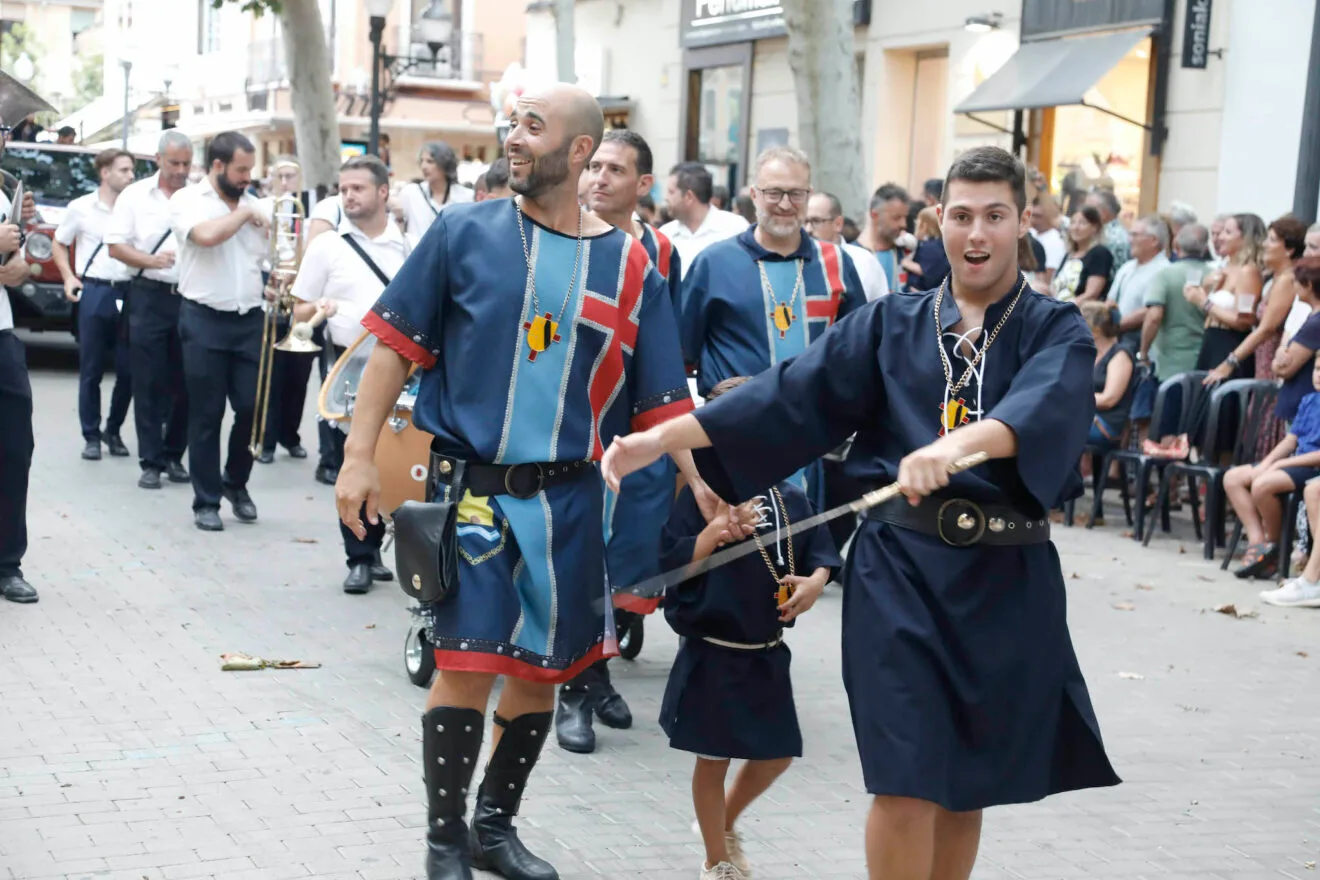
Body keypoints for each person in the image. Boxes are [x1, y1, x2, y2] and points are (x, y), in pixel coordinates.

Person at [602, 145, 1119, 880]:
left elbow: (1042, 408)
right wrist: (660, 436)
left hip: (1004, 580)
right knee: (905, 778)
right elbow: (785, 394)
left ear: (1021, 222)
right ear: (939, 221)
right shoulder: (888, 323)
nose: (977, 234)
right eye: (962, 215)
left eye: (995, 217)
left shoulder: (1054, 327)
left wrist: (961, 444)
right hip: (899, 579)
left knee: (966, 786)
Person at [335, 83, 708, 880]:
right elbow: (393, 346)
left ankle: (492, 829)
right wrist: (359, 457)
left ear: (577, 151)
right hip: (472, 493)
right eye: (513, 123)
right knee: (468, 664)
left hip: (572, 500)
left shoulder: (632, 264)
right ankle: (443, 844)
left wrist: (705, 487)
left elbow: (664, 400)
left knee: (541, 675)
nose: (513, 137)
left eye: (532, 127)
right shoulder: (464, 233)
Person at [657, 377, 839, 880]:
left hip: (766, 650)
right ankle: (717, 860)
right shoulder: (697, 500)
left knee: (777, 754)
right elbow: (672, 569)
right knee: (712, 759)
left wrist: (815, 581)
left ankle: (724, 822)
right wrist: (712, 534)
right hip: (712, 651)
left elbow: (820, 552)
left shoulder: (791, 496)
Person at [546, 128, 683, 754]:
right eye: (592, 166)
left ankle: (597, 671)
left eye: (615, 169)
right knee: (578, 557)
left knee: (625, 556)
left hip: (636, 425)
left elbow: (665, 344)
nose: (598, 179)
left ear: (642, 185)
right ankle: (575, 687)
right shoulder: (560, 236)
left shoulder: (660, 252)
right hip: (570, 423)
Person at [288, 156, 403, 593]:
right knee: (348, 457)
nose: (349, 196)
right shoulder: (327, 247)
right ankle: (359, 555)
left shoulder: (407, 247)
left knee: (388, 457)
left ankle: (377, 547)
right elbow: (297, 308)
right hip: (344, 363)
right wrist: (318, 308)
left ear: (383, 193)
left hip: (396, 366)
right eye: (344, 189)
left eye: (358, 188)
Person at [169, 131, 269, 532]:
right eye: (241, 169)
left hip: (250, 319)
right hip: (203, 318)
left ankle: (236, 483)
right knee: (207, 413)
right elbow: (206, 237)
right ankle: (206, 501)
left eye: (250, 169)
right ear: (217, 166)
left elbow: (276, 256)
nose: (247, 177)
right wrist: (245, 214)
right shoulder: (187, 201)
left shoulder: (256, 202)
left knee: (250, 408)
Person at [107, 130, 193, 489]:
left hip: (189, 296)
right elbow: (115, 246)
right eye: (174, 163)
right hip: (147, 295)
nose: (180, 170)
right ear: (158, 159)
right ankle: (151, 461)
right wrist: (152, 261)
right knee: (148, 380)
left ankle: (175, 454)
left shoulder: (198, 196)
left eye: (186, 164)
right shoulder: (134, 195)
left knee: (188, 380)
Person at [52, 148, 137, 462]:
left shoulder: (135, 208)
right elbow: (59, 242)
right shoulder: (81, 208)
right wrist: (68, 277)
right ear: (105, 173)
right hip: (96, 291)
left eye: (132, 171)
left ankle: (112, 430)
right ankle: (91, 435)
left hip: (126, 293)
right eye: (124, 170)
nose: (131, 176)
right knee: (91, 369)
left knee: (128, 369)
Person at [1225, 349, 1320, 582]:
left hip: (1311, 467)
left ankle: (1275, 545)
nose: (1319, 375)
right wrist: (1267, 463)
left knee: (1262, 485)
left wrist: (1281, 465)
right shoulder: (1309, 400)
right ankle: (1258, 543)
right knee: (1233, 478)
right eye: (1318, 369)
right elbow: (1290, 440)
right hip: (1292, 460)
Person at [0, 113, 40, 604]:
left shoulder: (5, 191)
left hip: (2, 334)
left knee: (14, 450)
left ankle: (8, 562)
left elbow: (23, 263)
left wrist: (20, 263)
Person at [255, 157, 315, 465]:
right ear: (270, 180)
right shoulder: (264, 209)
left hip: (301, 299)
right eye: (280, 176)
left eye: (292, 176)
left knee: (299, 375)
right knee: (271, 374)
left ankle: (290, 435)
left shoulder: (311, 213)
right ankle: (265, 439)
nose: (286, 182)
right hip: (272, 291)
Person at [1138, 224, 1212, 450]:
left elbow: (1153, 315)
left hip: (1172, 363)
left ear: (1176, 245)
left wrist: (1143, 351)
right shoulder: (1215, 273)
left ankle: (1167, 481)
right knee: (1195, 425)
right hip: (1206, 359)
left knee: (1169, 425)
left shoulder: (1167, 274)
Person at [1184, 212, 1265, 380]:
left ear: (1245, 238)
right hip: (1210, 339)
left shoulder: (1248, 271)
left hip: (1229, 342)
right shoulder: (1224, 267)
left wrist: (1204, 303)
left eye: (1227, 232)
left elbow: (1244, 321)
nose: (1220, 237)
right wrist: (1204, 289)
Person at [660, 162, 749, 275]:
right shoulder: (665, 234)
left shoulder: (735, 229)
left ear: (689, 197)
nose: (666, 198)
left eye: (671, 192)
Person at [805, 192, 888, 302]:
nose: (808, 229)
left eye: (816, 221)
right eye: (804, 222)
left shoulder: (864, 262)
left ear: (838, 224)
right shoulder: (799, 262)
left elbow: (880, 310)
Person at [1080, 301, 1135, 457]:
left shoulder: (1120, 355)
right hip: (1084, 417)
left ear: (1095, 330)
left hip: (1105, 425)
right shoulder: (1089, 353)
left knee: (1049, 427)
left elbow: (1109, 399)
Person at [398, 141, 474, 244]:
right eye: (422, 161)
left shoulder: (466, 197)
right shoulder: (411, 193)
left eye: (430, 161)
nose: (424, 166)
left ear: (444, 163)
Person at [1051, 206, 1113, 302]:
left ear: (1094, 228)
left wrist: (1064, 308)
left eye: (1082, 223)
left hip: (1078, 311)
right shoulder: (1069, 254)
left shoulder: (1099, 253)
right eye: (1073, 222)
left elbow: (1091, 294)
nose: (1076, 228)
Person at [862, 183, 910, 292]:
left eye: (905, 217)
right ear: (874, 215)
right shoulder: (855, 257)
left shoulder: (905, 253)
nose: (903, 224)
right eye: (896, 218)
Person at [902, 206, 949, 291]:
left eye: (918, 223)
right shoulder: (940, 244)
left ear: (924, 226)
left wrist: (905, 262)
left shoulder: (931, 247)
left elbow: (926, 270)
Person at [1028, 194, 1066, 290]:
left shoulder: (1055, 241)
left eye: (1038, 216)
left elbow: (1047, 278)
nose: (1033, 220)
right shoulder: (1030, 233)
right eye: (1032, 215)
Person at [1086, 188, 1130, 266]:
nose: (1083, 214)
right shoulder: (1114, 233)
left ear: (1104, 212)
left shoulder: (1110, 237)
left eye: (1088, 210)